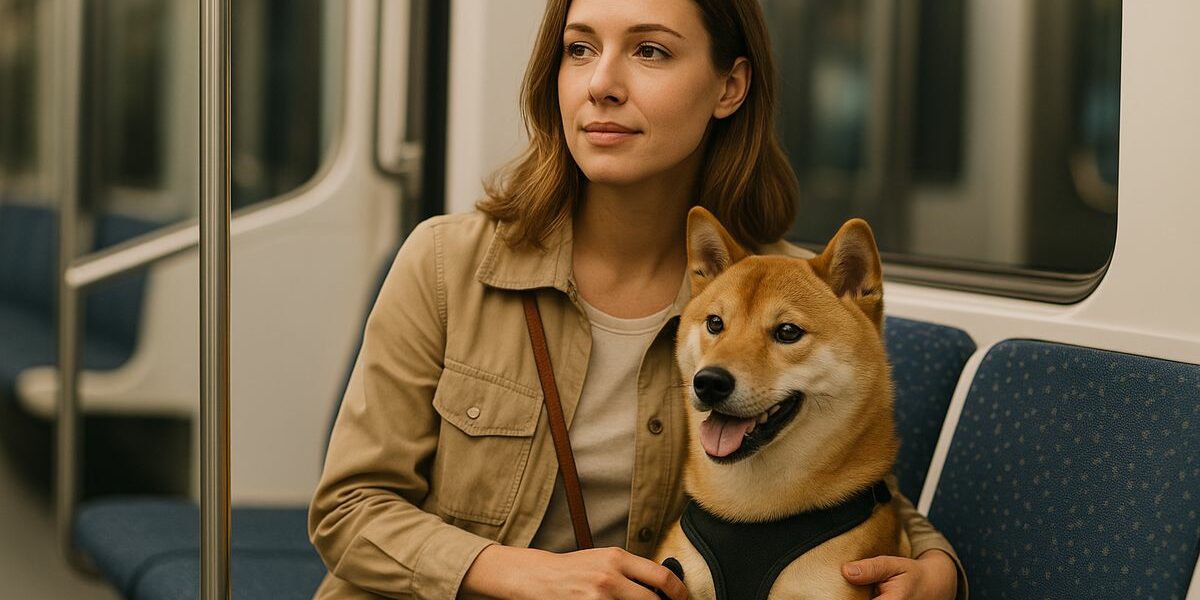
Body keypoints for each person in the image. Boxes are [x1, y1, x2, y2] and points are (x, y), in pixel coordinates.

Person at [309, 0, 967, 598]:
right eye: (579, 50)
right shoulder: (446, 261)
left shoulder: (788, 296)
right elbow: (349, 509)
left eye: (650, 51)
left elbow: (839, 472)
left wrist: (937, 567)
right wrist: (526, 574)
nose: (602, 85)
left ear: (729, 86)